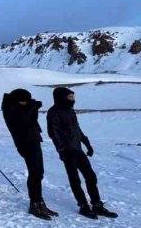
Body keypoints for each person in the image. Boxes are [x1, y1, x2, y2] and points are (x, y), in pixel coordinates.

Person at [46, 87, 118, 219]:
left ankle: (96, 205)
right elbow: (53, 132)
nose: (73, 99)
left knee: (91, 176)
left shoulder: (70, 111)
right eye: (70, 97)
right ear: (61, 97)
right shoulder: (53, 112)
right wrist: (61, 149)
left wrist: (87, 144)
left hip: (77, 149)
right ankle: (83, 206)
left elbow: (77, 129)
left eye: (73, 97)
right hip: (67, 151)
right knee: (74, 179)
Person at [2, 89, 57, 220]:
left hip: (33, 139)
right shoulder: (10, 109)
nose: (26, 103)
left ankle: (40, 202)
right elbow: (24, 119)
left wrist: (33, 107)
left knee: (39, 172)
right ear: (17, 100)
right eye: (24, 101)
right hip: (25, 143)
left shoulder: (21, 107)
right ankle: (34, 204)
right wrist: (33, 106)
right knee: (34, 173)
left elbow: (31, 120)